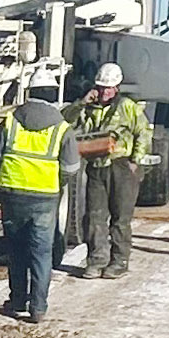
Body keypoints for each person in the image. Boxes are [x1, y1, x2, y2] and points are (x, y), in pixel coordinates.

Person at [0, 72, 70, 320]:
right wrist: (56, 183)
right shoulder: (62, 128)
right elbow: (71, 168)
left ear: (29, 92)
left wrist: (0, 177)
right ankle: (38, 308)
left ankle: (16, 301)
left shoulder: (11, 120)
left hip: (13, 194)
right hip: (45, 197)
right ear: (53, 95)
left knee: (16, 250)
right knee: (41, 253)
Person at [66, 62, 146, 282]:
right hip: (96, 166)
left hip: (121, 165)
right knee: (94, 216)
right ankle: (97, 259)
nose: (104, 92)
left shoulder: (127, 107)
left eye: (108, 88)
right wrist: (81, 104)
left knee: (120, 216)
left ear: (116, 88)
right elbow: (66, 122)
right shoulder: (88, 108)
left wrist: (134, 161)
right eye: (101, 87)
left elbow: (143, 132)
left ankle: (119, 261)